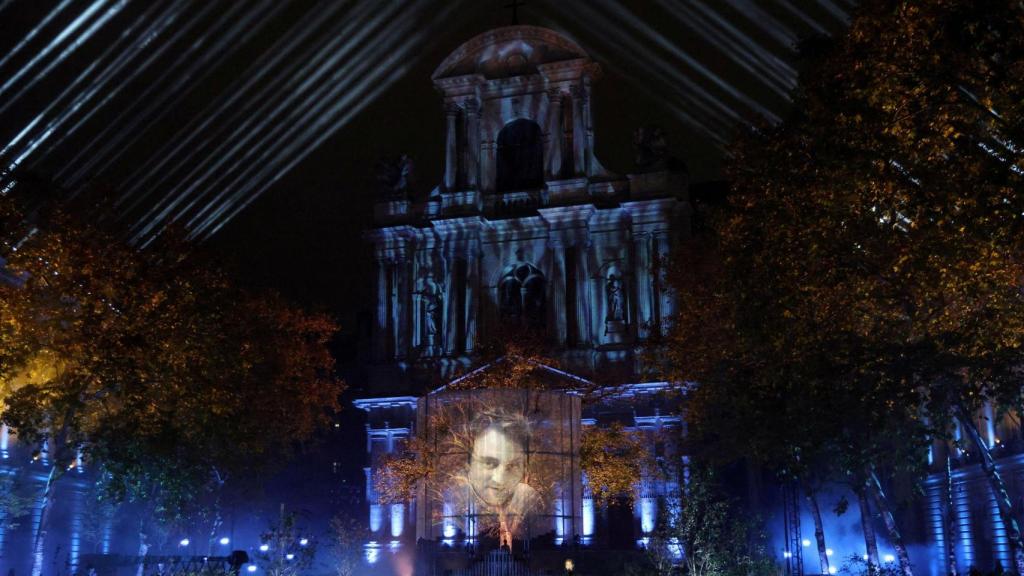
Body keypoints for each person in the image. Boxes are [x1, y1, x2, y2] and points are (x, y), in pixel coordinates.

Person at [464, 412, 542, 546]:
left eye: (512, 466)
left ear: (524, 468)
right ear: (469, 466)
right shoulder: (457, 503)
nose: (499, 479)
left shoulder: (529, 500)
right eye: (489, 463)